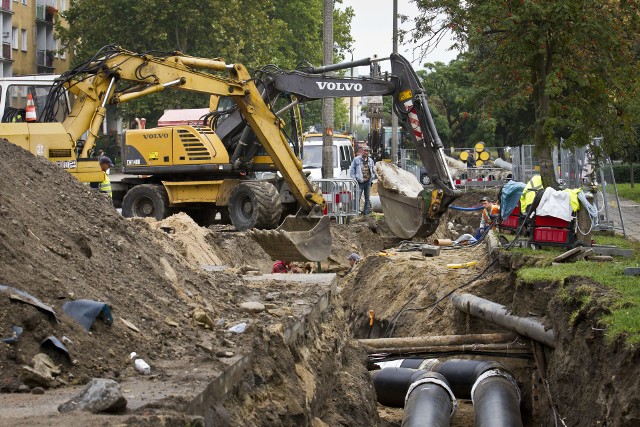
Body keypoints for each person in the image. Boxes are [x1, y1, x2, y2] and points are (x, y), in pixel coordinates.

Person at [349, 146, 376, 215]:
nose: (366, 152)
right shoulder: (356, 160)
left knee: (367, 198)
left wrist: (372, 178)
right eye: (365, 151)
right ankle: (356, 213)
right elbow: (352, 171)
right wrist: (354, 180)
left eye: (367, 151)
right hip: (359, 182)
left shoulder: (371, 160)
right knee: (357, 198)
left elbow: (373, 170)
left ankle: (366, 213)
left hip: (368, 182)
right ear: (362, 151)